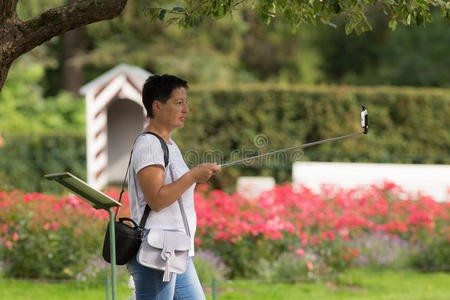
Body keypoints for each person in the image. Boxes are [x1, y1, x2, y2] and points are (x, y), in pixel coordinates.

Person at [126, 74, 221, 299]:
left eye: (185, 102)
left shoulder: (169, 144)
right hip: (158, 251)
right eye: (179, 102)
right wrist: (193, 176)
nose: (186, 109)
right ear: (157, 106)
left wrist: (195, 176)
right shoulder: (149, 145)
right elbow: (157, 199)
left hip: (177, 250)